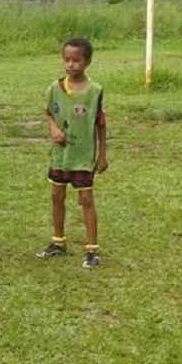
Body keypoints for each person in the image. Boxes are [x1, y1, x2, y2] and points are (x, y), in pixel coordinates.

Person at [34, 37, 108, 269]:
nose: (70, 64)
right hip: (60, 155)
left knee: (86, 199)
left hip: (83, 155)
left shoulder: (95, 91)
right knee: (57, 195)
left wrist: (102, 155)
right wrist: (53, 129)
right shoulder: (54, 88)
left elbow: (101, 124)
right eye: (66, 59)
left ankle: (92, 249)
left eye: (76, 60)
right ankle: (58, 242)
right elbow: (49, 113)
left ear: (87, 62)